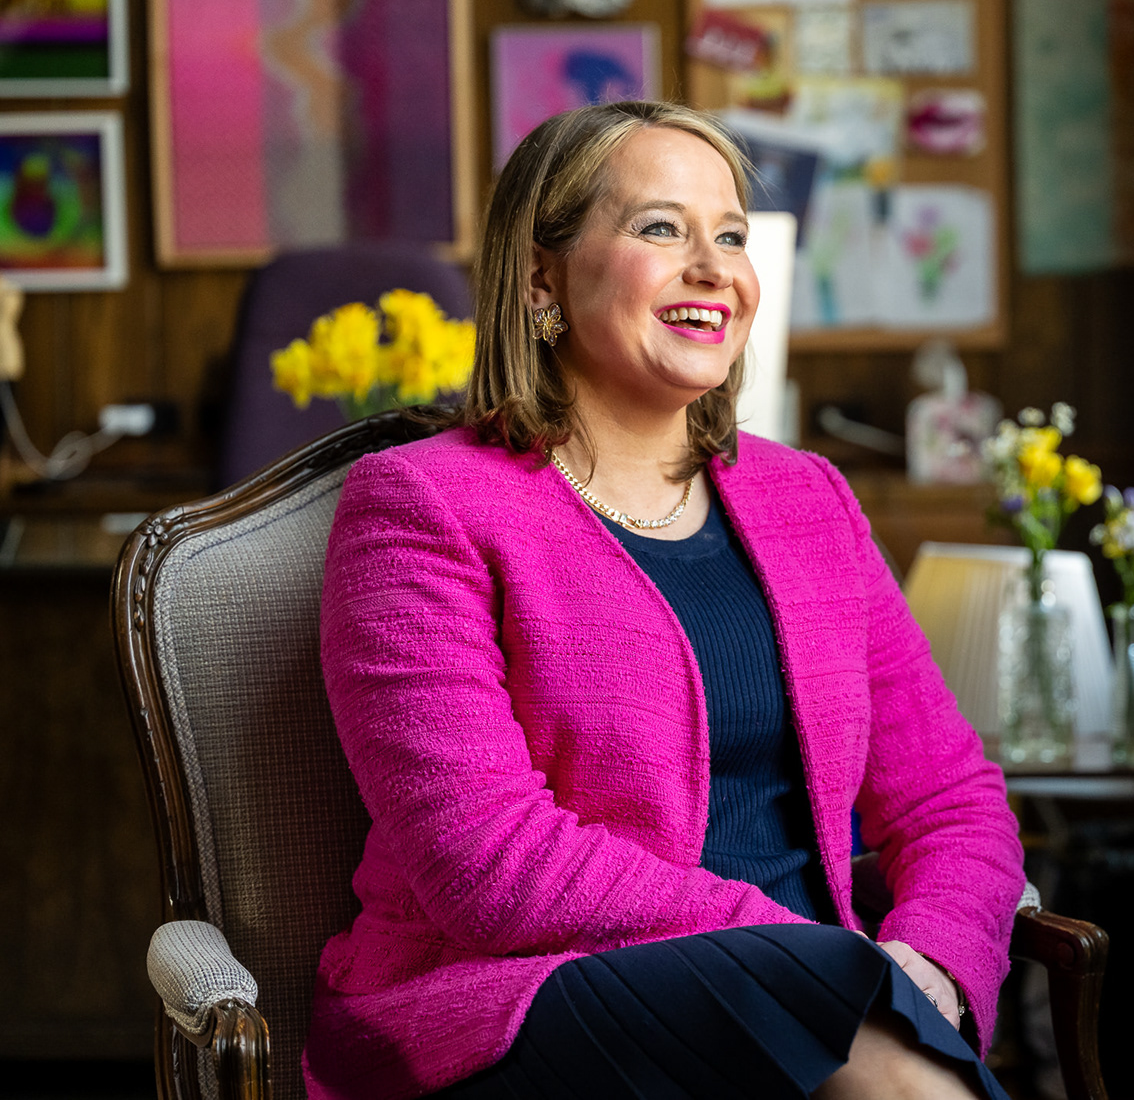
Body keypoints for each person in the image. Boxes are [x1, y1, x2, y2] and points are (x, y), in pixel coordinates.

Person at [304, 100, 1026, 1100]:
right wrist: (819, 961)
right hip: (523, 1001)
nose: (713, 266)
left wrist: (933, 966)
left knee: (884, 1059)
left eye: (730, 234)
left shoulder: (809, 499)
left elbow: (949, 800)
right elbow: (489, 861)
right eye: (660, 228)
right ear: (540, 279)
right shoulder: (422, 506)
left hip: (831, 1008)